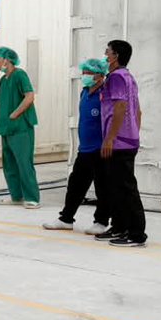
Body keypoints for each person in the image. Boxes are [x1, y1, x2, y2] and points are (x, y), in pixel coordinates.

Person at [43, 58, 113, 233]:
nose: (84, 76)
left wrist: (108, 142)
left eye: (88, 73)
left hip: (101, 149)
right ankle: (66, 219)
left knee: (103, 187)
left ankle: (101, 222)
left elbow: (111, 120)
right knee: (75, 185)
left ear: (100, 75)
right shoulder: (85, 92)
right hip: (85, 149)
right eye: (84, 72)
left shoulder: (105, 94)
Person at [98, 39, 147, 248]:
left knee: (126, 189)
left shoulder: (117, 77)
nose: (105, 55)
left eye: (107, 52)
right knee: (116, 187)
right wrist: (133, 133)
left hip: (119, 142)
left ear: (116, 55)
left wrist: (111, 138)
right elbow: (138, 111)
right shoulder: (128, 77)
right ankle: (119, 226)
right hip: (127, 140)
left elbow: (120, 107)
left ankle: (136, 234)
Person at [0, 47, 40, 208]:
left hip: (21, 127)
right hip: (6, 127)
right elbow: (3, 100)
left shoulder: (20, 75)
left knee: (24, 163)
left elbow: (29, 96)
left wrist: (16, 113)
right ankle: (16, 196)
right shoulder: (3, 80)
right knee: (9, 164)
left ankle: (32, 198)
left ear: (7, 60)